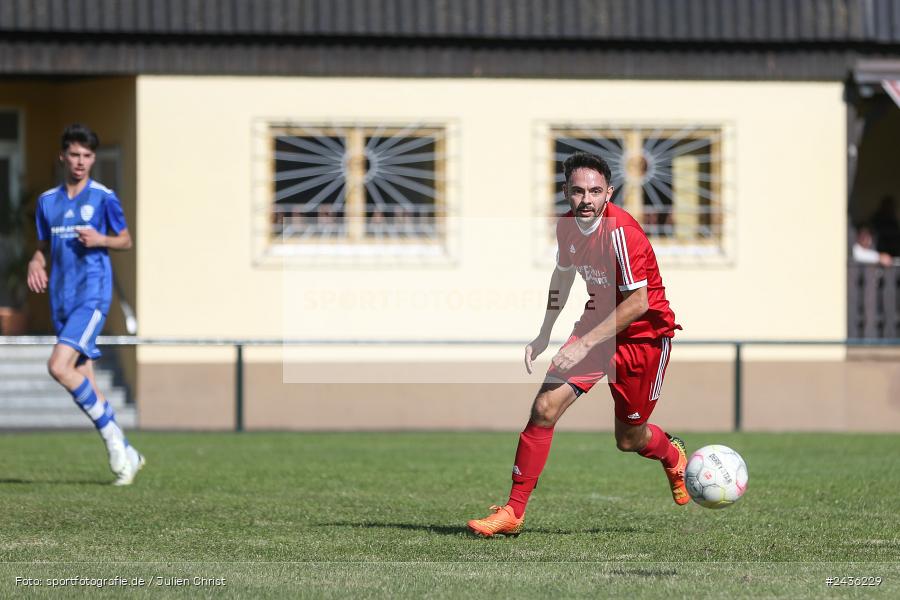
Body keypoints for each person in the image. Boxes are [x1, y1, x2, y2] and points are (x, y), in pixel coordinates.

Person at [467, 152, 685, 537]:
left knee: (629, 439)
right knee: (544, 406)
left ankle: (671, 454)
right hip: (596, 325)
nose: (587, 199)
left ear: (609, 193)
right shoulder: (567, 227)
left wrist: (583, 344)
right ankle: (513, 513)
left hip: (643, 339)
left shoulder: (622, 233)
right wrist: (545, 331)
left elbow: (639, 303)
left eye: (596, 191)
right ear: (566, 192)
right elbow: (562, 277)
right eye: (579, 191)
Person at [26, 124, 144, 485]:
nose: (81, 162)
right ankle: (129, 451)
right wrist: (35, 260)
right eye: (75, 155)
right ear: (63, 156)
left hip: (92, 295)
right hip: (61, 299)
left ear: (94, 158)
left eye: (87, 156)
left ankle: (112, 441)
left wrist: (100, 239)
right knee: (86, 380)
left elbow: (124, 240)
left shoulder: (104, 198)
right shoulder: (48, 202)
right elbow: (44, 246)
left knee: (59, 366)